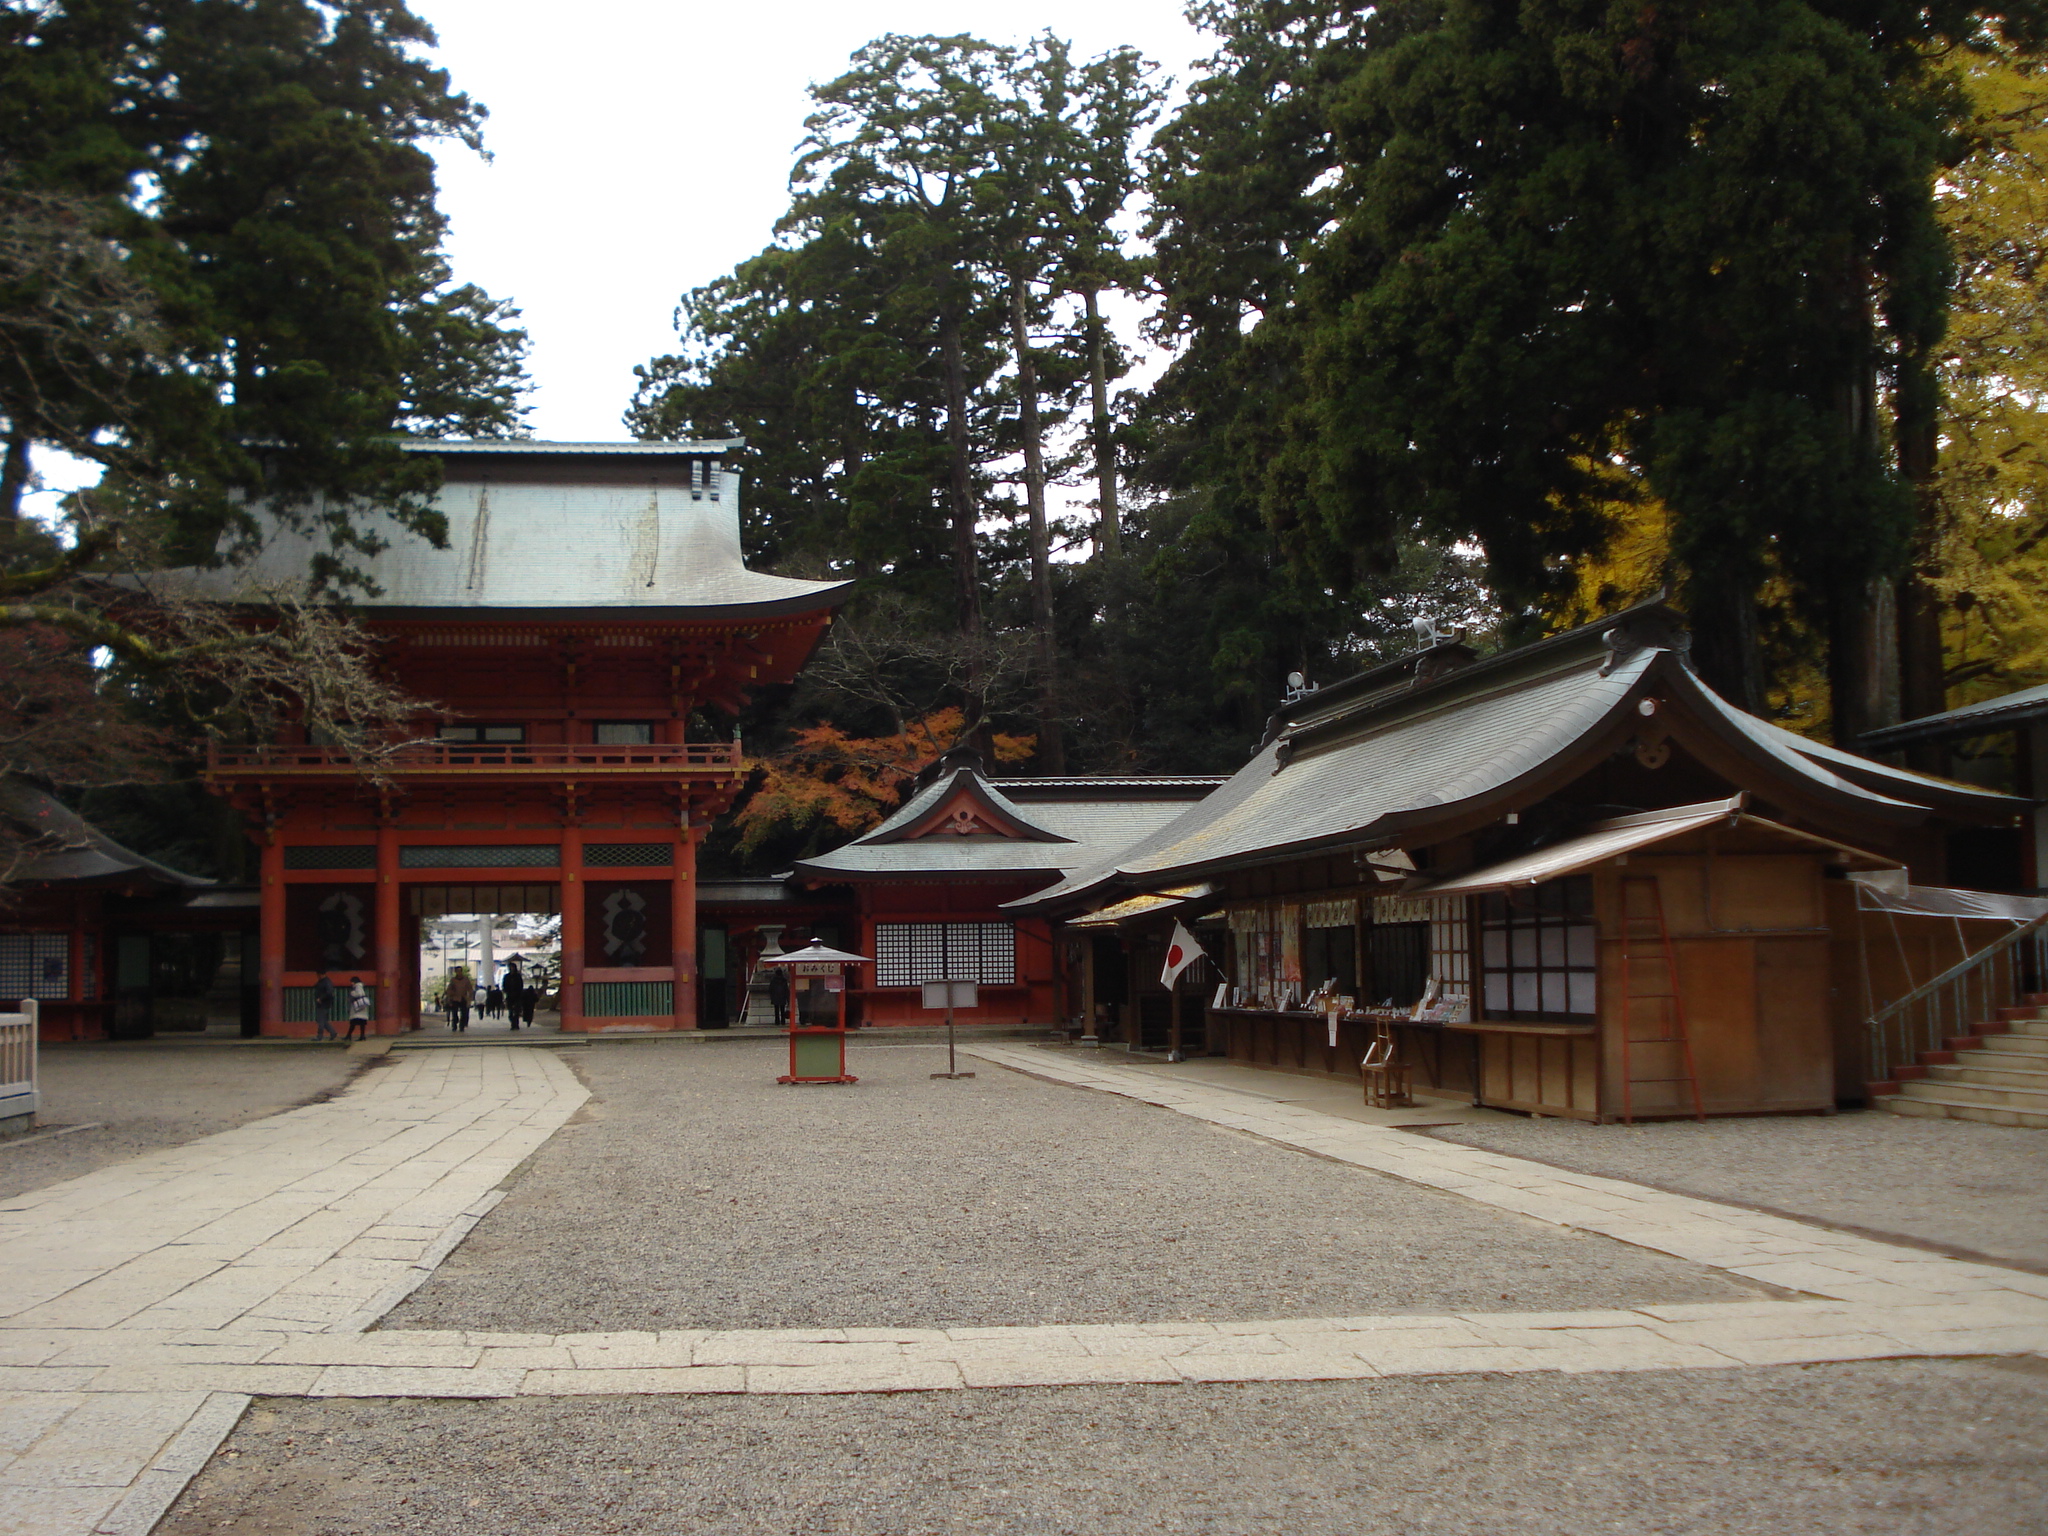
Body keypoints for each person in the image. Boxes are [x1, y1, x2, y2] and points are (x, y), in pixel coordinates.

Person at [442, 966, 473, 1032]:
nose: (459, 972)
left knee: (464, 1013)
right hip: (455, 998)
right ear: (455, 972)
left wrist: (469, 998)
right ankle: (454, 1025)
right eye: (457, 971)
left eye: (460, 971)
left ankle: (461, 1026)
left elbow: (470, 989)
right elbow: (449, 989)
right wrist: (450, 994)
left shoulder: (465, 979)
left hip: (463, 998)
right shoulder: (453, 980)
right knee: (454, 1013)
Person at [502, 958, 528, 1032]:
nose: (511, 969)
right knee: (510, 1012)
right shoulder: (506, 977)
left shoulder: (518, 976)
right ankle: (512, 1023)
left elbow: (520, 986)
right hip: (509, 996)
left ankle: (515, 1024)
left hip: (517, 996)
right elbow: (504, 986)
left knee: (516, 1011)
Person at [345, 976, 372, 1041]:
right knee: (361, 1023)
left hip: (358, 1008)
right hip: (362, 1007)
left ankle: (349, 1036)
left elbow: (359, 994)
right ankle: (362, 1036)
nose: (351, 983)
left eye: (352, 982)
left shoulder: (357, 987)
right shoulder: (361, 986)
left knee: (353, 1022)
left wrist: (352, 993)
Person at [312, 970, 337, 1042]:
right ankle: (333, 1033)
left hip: (324, 1003)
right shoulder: (323, 981)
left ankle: (320, 1036)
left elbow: (329, 992)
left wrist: (321, 998)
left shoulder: (326, 982)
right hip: (322, 1004)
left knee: (321, 1020)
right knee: (323, 1020)